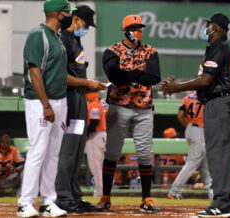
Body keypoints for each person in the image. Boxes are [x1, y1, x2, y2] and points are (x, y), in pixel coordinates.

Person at [160, 12, 230, 217]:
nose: (207, 27)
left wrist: (177, 88)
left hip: (218, 104)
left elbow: (205, 81)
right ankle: (226, 200)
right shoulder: (219, 47)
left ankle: (221, 204)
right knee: (224, 154)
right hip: (222, 103)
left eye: (210, 24)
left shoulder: (219, 47)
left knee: (217, 155)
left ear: (218, 27)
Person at [17, 0, 77, 217]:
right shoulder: (37, 35)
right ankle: (25, 203)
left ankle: (47, 202)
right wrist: (46, 105)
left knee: (53, 154)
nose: (69, 15)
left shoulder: (57, 38)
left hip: (60, 101)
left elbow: (58, 74)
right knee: (38, 151)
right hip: (41, 102)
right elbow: (34, 73)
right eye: (67, 12)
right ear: (56, 13)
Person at [96, 14, 161, 213]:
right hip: (119, 106)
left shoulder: (151, 50)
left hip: (144, 109)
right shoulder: (111, 51)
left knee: (144, 153)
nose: (138, 32)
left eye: (140, 28)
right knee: (112, 152)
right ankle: (105, 197)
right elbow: (114, 76)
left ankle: (146, 199)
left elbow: (154, 77)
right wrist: (138, 74)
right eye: (134, 28)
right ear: (125, 31)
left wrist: (128, 74)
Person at [55, 5, 106, 214]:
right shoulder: (62, 40)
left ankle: (74, 196)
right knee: (67, 152)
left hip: (78, 99)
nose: (86, 28)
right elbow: (61, 76)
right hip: (67, 100)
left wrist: (89, 84)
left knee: (76, 153)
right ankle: (63, 198)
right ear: (76, 19)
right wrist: (87, 82)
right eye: (85, 24)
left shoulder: (76, 40)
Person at [167, 92, 213, 200]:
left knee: (204, 166)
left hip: (190, 128)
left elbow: (179, 115)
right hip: (200, 130)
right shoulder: (209, 96)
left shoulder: (188, 96)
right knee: (192, 163)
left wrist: (188, 127)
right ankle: (174, 191)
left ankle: (213, 194)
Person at [85, 91, 107, 197]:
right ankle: (102, 191)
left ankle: (100, 192)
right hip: (103, 134)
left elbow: (94, 122)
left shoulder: (94, 104)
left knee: (95, 166)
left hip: (96, 135)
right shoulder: (102, 102)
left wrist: (84, 135)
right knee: (100, 166)